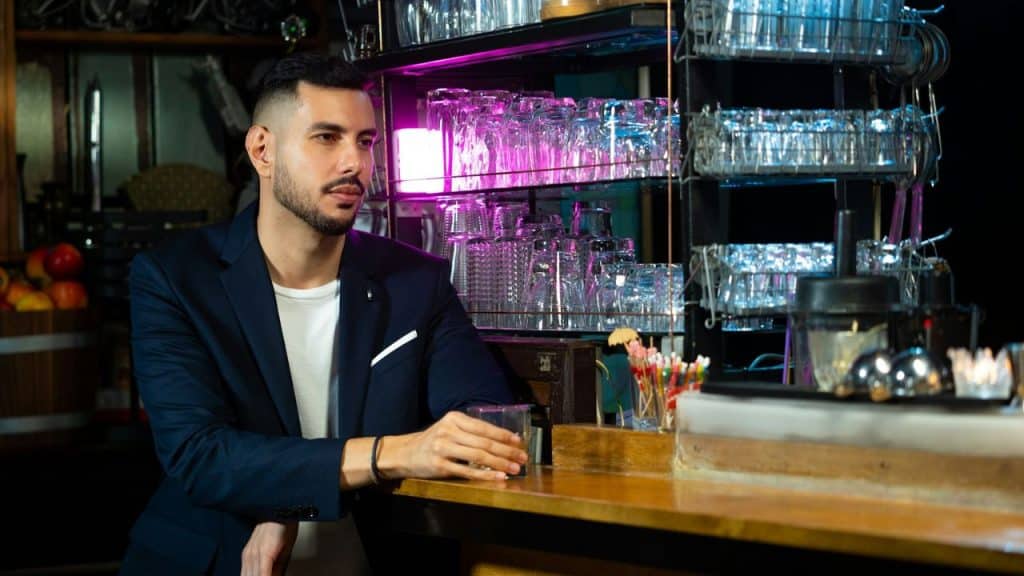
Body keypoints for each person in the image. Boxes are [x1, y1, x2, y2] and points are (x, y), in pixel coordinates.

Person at [120, 52, 526, 576]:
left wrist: (291, 500)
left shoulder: (416, 282)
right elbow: (202, 456)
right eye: (326, 138)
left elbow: (485, 421)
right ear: (262, 150)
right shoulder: (175, 279)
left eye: (365, 141)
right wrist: (386, 455)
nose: (354, 164)